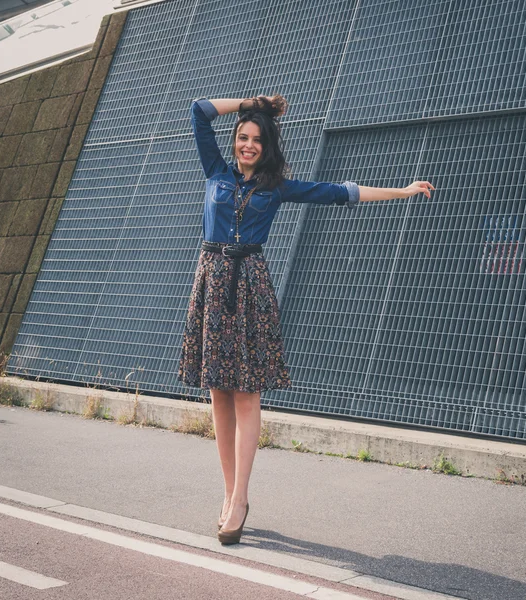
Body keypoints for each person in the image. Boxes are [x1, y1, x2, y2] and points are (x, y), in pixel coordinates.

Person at [178, 94, 435, 545]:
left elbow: (342, 193)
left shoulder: (278, 187)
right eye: (242, 137)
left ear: (268, 145)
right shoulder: (215, 172)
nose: (248, 145)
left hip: (250, 285)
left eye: (257, 139)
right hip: (213, 282)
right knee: (217, 390)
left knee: (246, 392)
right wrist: (252, 103)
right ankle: (227, 493)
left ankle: (241, 498)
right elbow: (199, 110)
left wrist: (403, 190)